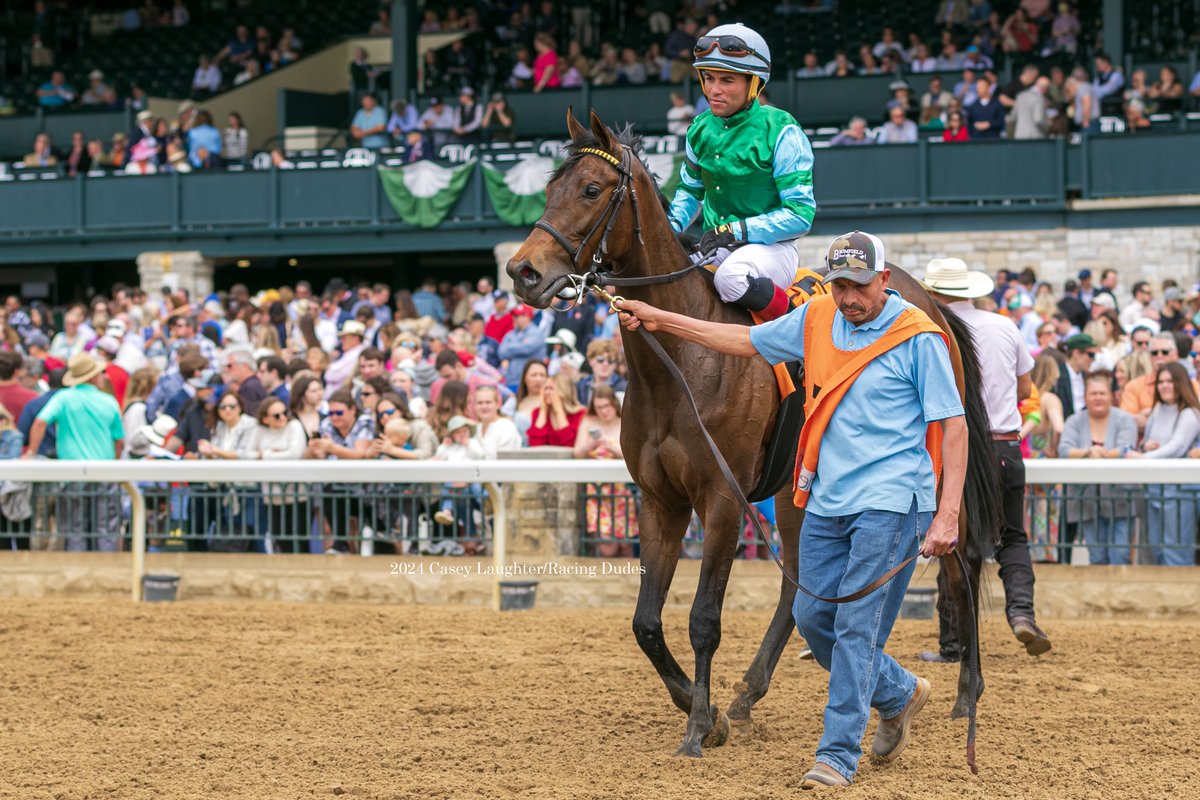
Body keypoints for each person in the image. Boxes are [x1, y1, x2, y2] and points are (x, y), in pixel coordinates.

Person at [616, 230, 966, 789]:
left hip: (894, 500)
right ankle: (898, 693)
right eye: (839, 285)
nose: (848, 297)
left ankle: (837, 752)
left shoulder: (918, 336)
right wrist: (661, 319)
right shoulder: (818, 318)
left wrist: (947, 515)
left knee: (854, 627)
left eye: (858, 286)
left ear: (883, 279)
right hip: (827, 498)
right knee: (811, 619)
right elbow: (739, 342)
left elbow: (952, 426)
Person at [920, 256, 1050, 660]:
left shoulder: (930, 329)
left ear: (933, 292)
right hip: (1006, 445)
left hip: (955, 447)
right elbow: (1025, 386)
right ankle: (1021, 613)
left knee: (952, 539)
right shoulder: (1005, 325)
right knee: (1013, 537)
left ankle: (952, 642)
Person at [666, 23, 815, 321]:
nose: (713, 90)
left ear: (754, 83)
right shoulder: (698, 129)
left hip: (772, 249)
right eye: (708, 78)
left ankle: (798, 331)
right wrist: (668, 230)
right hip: (716, 246)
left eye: (727, 80)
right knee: (665, 274)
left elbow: (801, 215)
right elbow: (690, 193)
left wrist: (736, 231)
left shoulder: (782, 130)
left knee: (730, 278)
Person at [24, 354, 125, 551]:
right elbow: (119, 440)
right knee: (105, 529)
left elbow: (40, 422)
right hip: (104, 474)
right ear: (93, 377)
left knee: (74, 528)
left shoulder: (63, 398)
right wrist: (114, 462)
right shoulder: (109, 401)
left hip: (71, 475)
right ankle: (108, 574)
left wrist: (30, 453)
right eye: (101, 373)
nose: (104, 377)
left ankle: (76, 573)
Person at [1059, 371, 1137, 565]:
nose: (1098, 398)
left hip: (1121, 498)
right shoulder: (1074, 421)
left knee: (1121, 555)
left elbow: (1126, 448)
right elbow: (1064, 450)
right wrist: (1088, 451)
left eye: (1102, 393)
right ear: (1085, 397)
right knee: (1097, 556)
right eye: (1093, 394)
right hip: (1086, 499)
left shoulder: (1125, 419)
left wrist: (1098, 453)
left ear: (1111, 396)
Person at [1126, 363, 1200, 566]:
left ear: (1181, 384)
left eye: (1170, 381)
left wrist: (1144, 459)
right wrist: (1144, 447)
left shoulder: (1190, 413)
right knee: (1155, 549)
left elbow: (1177, 446)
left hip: (1178, 493)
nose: (1165, 386)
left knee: (1175, 549)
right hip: (1153, 489)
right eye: (1161, 382)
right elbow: (1147, 443)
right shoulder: (1157, 411)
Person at [573, 385, 636, 557]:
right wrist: (590, 446)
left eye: (606, 406)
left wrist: (610, 447)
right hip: (597, 492)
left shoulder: (625, 421)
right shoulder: (588, 422)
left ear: (614, 405)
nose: (603, 411)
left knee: (625, 545)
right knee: (607, 547)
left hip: (621, 491)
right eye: (599, 407)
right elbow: (577, 453)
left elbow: (634, 454)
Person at [240, 398, 309, 553]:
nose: (283, 417)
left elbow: (294, 454)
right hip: (271, 494)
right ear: (265, 419)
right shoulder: (259, 430)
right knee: (280, 537)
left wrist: (264, 454)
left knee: (300, 538)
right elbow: (248, 454)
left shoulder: (294, 426)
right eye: (277, 415)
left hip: (297, 493)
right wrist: (273, 453)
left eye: (285, 413)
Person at [528, 372, 585, 447]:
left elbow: (570, 444)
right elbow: (535, 444)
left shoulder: (580, 413)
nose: (547, 392)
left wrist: (559, 411)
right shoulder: (537, 413)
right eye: (545, 388)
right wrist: (543, 410)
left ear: (564, 391)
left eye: (551, 388)